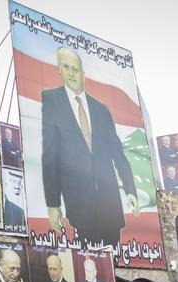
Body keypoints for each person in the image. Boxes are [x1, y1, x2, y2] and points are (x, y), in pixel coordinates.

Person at [42, 48, 138, 248]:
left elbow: (117, 153)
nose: (71, 73)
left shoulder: (101, 110)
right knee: (87, 264)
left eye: (75, 69)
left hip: (109, 205)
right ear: (59, 69)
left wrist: (130, 189)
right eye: (66, 68)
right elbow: (50, 155)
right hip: (79, 207)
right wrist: (53, 204)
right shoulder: (51, 100)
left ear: (83, 73)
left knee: (113, 266)